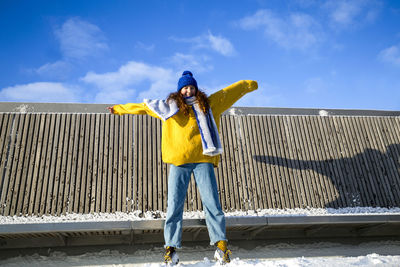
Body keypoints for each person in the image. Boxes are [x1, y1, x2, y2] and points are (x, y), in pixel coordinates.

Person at [108, 71, 258, 265]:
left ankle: (221, 246)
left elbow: (229, 92)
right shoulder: (168, 108)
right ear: (179, 90)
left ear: (196, 88)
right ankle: (171, 249)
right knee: (174, 205)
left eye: (191, 87)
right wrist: (119, 109)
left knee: (212, 203)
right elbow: (143, 107)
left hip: (203, 160)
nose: (188, 90)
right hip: (179, 162)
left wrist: (249, 84)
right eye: (185, 87)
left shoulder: (209, 104)